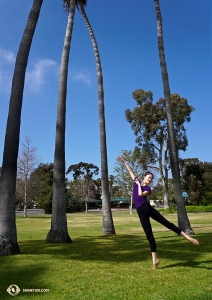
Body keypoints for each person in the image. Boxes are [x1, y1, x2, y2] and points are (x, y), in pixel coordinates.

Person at [118, 157, 199, 269]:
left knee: (167, 224)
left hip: (147, 209)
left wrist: (139, 186)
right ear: (144, 177)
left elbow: (141, 194)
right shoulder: (137, 181)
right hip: (140, 212)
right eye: (148, 177)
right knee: (149, 236)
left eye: (151, 178)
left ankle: (187, 237)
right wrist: (124, 162)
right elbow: (130, 171)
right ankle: (155, 260)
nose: (150, 179)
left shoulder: (148, 188)